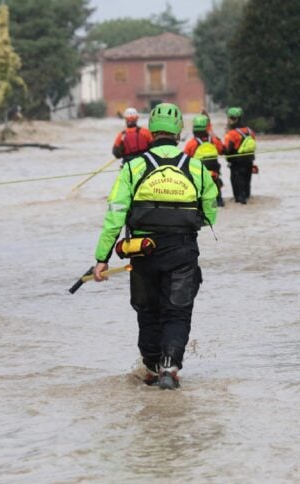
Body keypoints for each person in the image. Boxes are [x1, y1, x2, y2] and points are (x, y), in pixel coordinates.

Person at [92, 102, 219, 390]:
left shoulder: (134, 168)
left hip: (142, 251)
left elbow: (115, 215)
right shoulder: (196, 167)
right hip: (182, 250)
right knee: (178, 311)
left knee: (147, 311)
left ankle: (150, 367)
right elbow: (211, 212)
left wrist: (102, 258)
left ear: (150, 131)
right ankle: (170, 366)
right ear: (179, 133)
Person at [182, 114, 226, 207]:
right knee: (216, 192)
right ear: (206, 128)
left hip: (199, 175)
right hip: (214, 174)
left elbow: (184, 159)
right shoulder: (214, 141)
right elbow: (222, 151)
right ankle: (219, 201)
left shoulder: (191, 143)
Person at [222, 106, 257, 204]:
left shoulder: (232, 134)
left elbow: (227, 150)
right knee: (246, 189)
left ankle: (241, 203)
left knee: (239, 196)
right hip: (249, 163)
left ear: (232, 119)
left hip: (236, 166)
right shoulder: (250, 131)